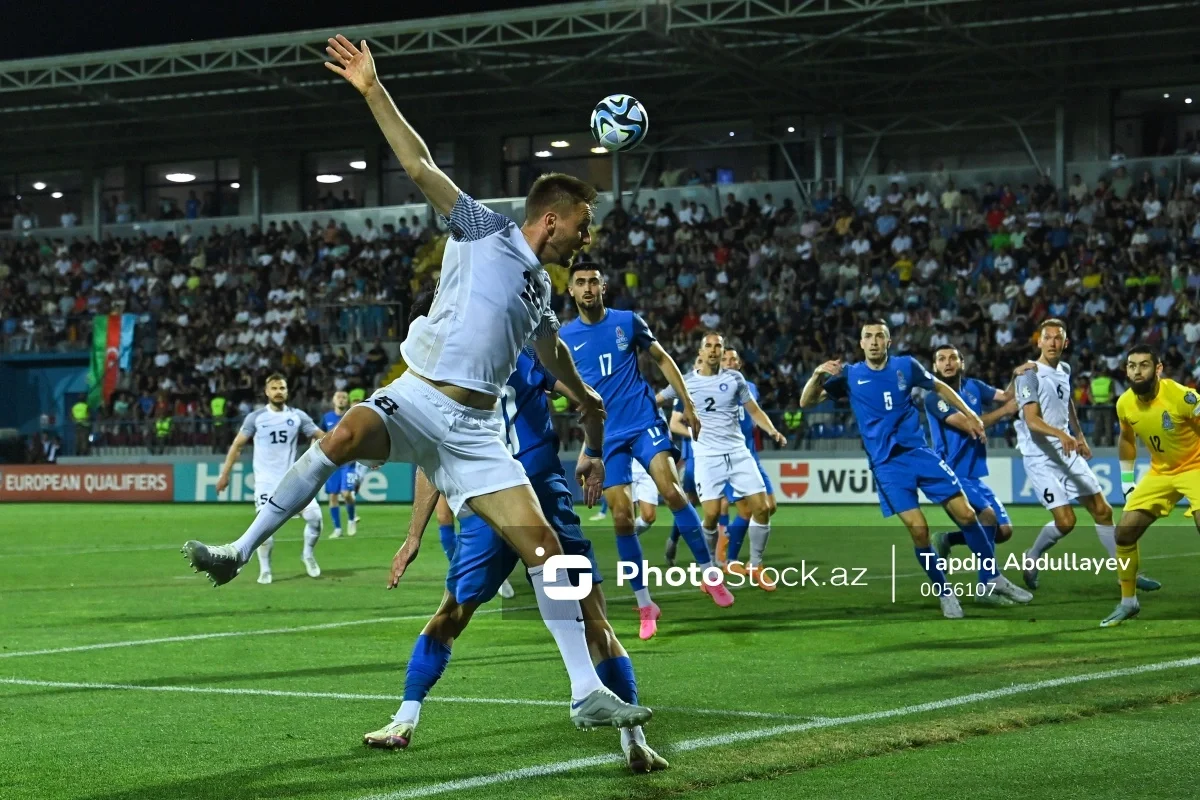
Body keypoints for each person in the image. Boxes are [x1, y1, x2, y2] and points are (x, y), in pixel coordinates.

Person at [183, 34, 649, 732]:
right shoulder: (481, 229)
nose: (586, 238)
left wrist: (584, 401)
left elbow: (554, 356)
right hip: (419, 395)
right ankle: (237, 552)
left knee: (547, 548)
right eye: (581, 226)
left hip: (475, 433)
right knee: (343, 434)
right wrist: (373, 89)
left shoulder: (543, 296)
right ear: (550, 219)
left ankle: (585, 693)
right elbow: (418, 162)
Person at [366, 341, 667, 772]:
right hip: (542, 496)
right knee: (593, 619)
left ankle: (404, 718)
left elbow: (429, 458)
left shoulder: (448, 366)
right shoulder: (531, 354)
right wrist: (593, 454)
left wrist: (413, 535)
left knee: (451, 615)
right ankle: (634, 738)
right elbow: (593, 403)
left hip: (488, 506)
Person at [800, 321, 1032, 618]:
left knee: (968, 514)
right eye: (868, 337)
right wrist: (818, 374)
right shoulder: (851, 375)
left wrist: (971, 413)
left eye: (879, 337)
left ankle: (992, 578)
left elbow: (938, 386)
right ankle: (945, 593)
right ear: (861, 344)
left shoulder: (905, 366)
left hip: (920, 454)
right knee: (919, 529)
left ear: (888, 341)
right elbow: (806, 401)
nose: (873, 342)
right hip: (888, 465)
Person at [560, 265, 735, 641]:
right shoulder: (564, 337)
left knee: (671, 491)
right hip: (605, 438)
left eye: (593, 281)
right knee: (622, 518)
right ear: (571, 290)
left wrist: (686, 403)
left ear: (603, 286)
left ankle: (709, 572)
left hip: (643, 422)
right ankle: (645, 604)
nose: (588, 288)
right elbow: (555, 384)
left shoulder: (627, 321)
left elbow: (663, 359)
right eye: (581, 283)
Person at [1012, 319, 1160, 592]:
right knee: (1066, 522)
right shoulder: (1028, 374)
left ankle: (1125, 574)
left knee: (1103, 511)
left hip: (1067, 450)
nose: (1053, 342)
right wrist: (1062, 435)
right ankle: (1031, 557)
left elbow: (1066, 400)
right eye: (1048, 338)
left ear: (1065, 343)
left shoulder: (1064, 369)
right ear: (1039, 342)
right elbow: (1031, 419)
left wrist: (1078, 436)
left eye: (1059, 338)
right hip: (1040, 458)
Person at [662, 335, 786, 590]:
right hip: (707, 457)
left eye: (718, 346)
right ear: (701, 351)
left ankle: (756, 564)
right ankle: (709, 573)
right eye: (709, 346)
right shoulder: (686, 382)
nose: (714, 350)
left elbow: (754, 411)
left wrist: (772, 431)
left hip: (739, 452)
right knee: (709, 515)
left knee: (762, 508)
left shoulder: (735, 379)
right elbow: (658, 399)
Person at [1101, 346, 1199, 626]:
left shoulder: (1182, 396)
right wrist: (1128, 482)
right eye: (1131, 366)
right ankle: (1128, 602)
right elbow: (1127, 440)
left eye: (1144, 365)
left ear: (1158, 369)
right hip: (1161, 472)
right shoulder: (1124, 404)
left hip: (1196, 466)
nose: (1137, 371)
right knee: (1124, 533)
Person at [924, 346, 1030, 604]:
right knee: (988, 517)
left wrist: (1017, 376)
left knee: (1003, 531)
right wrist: (1006, 412)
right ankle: (986, 586)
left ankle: (947, 539)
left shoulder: (975, 387)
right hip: (950, 472)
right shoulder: (934, 397)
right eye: (941, 359)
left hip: (973, 475)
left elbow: (1006, 396)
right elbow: (966, 423)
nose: (947, 363)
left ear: (962, 362)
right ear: (935, 367)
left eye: (952, 358)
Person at [213, 374, 326, 584]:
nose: (278, 391)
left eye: (282, 388)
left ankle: (308, 554)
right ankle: (265, 569)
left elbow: (322, 436)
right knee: (264, 529)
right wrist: (224, 475)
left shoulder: (298, 416)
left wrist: (314, 451)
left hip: (294, 480)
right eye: (274, 388)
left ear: (287, 391)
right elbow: (237, 445)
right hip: (266, 482)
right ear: (266, 392)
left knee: (315, 519)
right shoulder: (255, 418)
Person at [716, 347, 780, 572]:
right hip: (732, 459)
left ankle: (727, 540)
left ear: (740, 364)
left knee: (770, 506)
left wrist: (772, 431)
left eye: (734, 359)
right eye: (726, 359)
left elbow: (754, 414)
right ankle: (733, 560)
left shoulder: (749, 388)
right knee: (746, 511)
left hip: (751, 456)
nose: (730, 362)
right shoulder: (712, 388)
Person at [321, 390, 358, 538]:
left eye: (344, 398)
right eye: (338, 397)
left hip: (348, 462)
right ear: (333, 400)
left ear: (347, 401)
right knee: (333, 497)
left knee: (346, 493)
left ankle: (351, 519)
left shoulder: (352, 417)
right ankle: (337, 529)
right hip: (331, 462)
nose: (341, 400)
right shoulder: (327, 417)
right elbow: (319, 435)